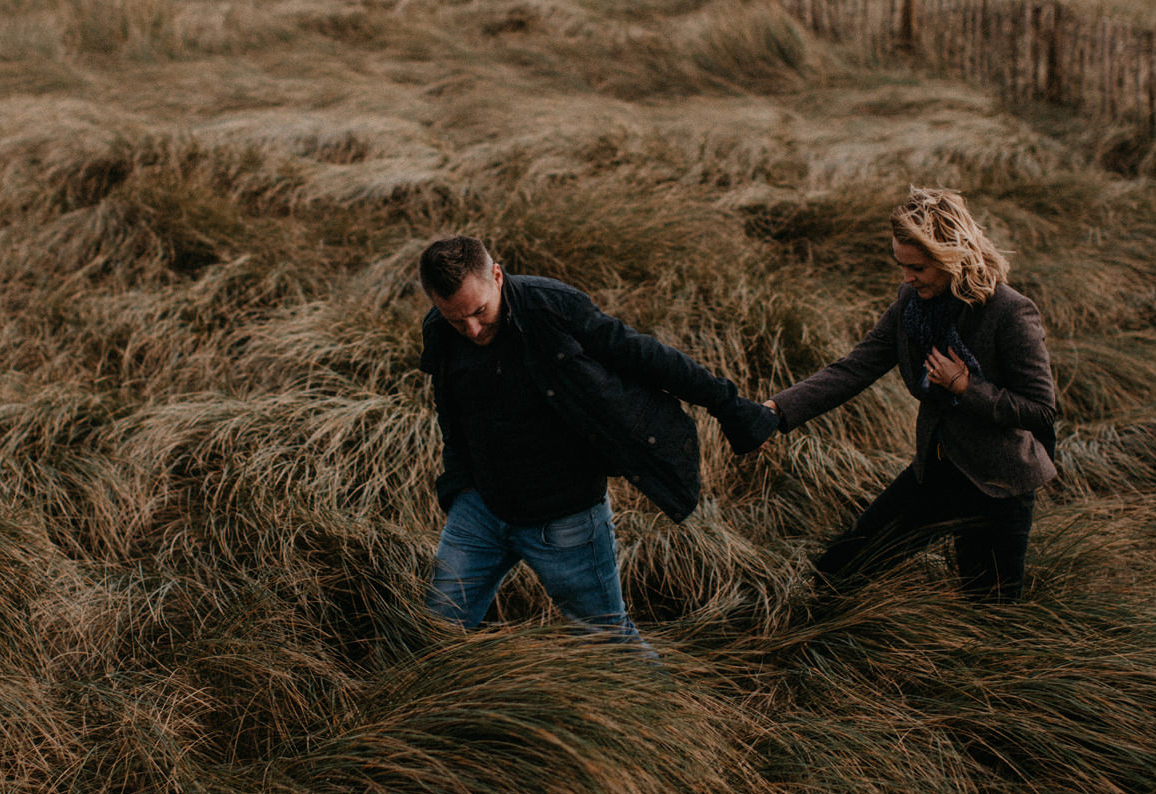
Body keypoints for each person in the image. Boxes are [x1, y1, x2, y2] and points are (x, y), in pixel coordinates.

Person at [417, 235, 778, 644]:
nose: (473, 329)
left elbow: (648, 357)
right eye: (455, 319)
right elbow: (451, 412)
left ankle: (656, 706)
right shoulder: (440, 331)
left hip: (566, 517)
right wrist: (459, 488)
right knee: (431, 632)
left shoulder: (551, 306)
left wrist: (733, 409)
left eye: (480, 311)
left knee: (607, 641)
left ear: (497, 275)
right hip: (480, 510)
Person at [766, 187, 1057, 602]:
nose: (906, 279)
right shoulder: (911, 303)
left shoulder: (1009, 311)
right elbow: (855, 366)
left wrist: (966, 387)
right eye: (901, 266)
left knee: (990, 616)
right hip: (934, 472)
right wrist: (777, 410)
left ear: (950, 256)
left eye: (917, 268)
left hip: (998, 488)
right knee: (839, 569)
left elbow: (1042, 412)